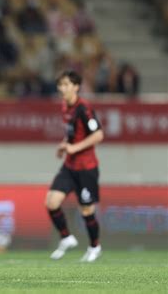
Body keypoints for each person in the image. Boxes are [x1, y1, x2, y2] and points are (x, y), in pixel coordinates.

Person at [46, 70, 104, 262]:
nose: (62, 88)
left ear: (76, 87)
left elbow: (98, 135)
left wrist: (74, 147)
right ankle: (66, 238)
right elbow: (72, 134)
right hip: (69, 166)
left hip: (86, 167)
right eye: (60, 85)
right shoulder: (65, 107)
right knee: (51, 202)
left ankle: (94, 247)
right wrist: (64, 146)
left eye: (66, 85)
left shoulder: (83, 108)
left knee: (86, 210)